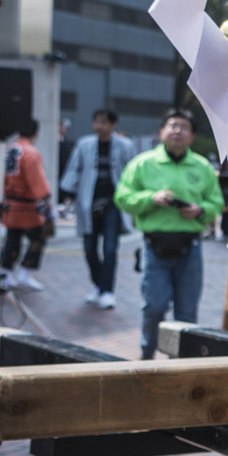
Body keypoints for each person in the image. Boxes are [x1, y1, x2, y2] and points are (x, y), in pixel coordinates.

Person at [114, 108, 222, 356]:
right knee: (154, 306)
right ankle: (147, 357)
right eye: (172, 126)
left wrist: (200, 209)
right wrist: (151, 198)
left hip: (190, 248)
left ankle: (183, 362)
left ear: (192, 136)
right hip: (155, 248)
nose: (177, 131)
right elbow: (122, 197)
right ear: (161, 132)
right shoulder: (142, 164)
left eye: (184, 127)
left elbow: (216, 205)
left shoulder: (203, 166)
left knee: (186, 312)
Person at [61, 109, 135, 309]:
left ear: (113, 124)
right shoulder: (84, 144)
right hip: (87, 203)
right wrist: (67, 195)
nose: (98, 126)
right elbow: (74, 170)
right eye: (96, 122)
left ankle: (107, 291)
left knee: (110, 248)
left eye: (103, 122)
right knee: (89, 248)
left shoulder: (126, 145)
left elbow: (132, 173)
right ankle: (97, 284)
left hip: (114, 203)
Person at [0, 119, 51, 291]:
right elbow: (37, 180)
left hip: (10, 202)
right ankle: (24, 272)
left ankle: (6, 271)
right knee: (39, 237)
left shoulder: (10, 149)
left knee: (13, 239)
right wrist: (46, 198)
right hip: (27, 205)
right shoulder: (30, 153)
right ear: (36, 133)